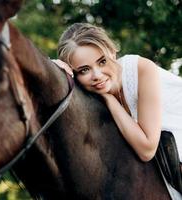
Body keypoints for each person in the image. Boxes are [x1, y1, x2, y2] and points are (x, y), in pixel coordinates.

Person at [53, 23, 182, 165]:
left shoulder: (142, 69)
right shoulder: (85, 92)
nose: (97, 75)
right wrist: (56, 72)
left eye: (102, 62)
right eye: (84, 70)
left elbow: (147, 150)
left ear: (112, 52)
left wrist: (109, 99)